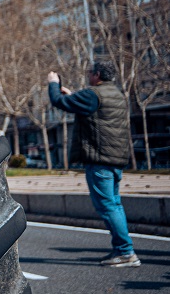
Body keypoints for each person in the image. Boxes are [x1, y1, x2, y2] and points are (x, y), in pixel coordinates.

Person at [48, 60, 139, 267]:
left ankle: (126, 252)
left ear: (97, 75)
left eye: (90, 72)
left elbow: (58, 102)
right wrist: (72, 96)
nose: (88, 75)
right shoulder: (116, 94)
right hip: (116, 159)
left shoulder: (93, 95)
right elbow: (94, 113)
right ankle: (123, 249)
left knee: (107, 206)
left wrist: (53, 84)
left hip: (99, 160)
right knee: (115, 204)